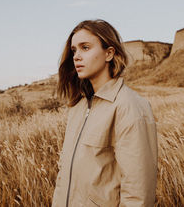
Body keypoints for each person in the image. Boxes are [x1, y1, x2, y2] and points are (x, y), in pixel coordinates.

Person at [52, 19, 158, 207]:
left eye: (85, 48)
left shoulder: (129, 106)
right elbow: (64, 177)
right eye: (74, 50)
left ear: (109, 53)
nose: (76, 56)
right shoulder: (78, 107)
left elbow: (138, 192)